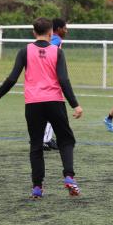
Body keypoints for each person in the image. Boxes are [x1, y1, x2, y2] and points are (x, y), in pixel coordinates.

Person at [0, 17, 83, 199]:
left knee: (36, 145)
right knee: (66, 140)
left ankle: (37, 188)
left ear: (34, 32)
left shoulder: (25, 51)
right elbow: (63, 80)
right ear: (51, 33)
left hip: (33, 104)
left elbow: (12, 78)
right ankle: (69, 177)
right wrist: (75, 105)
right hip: (55, 102)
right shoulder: (57, 52)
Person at [42, 18, 69, 151]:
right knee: (54, 110)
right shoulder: (56, 40)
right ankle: (45, 140)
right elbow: (46, 51)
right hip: (50, 80)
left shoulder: (50, 38)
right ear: (58, 29)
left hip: (43, 78)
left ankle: (45, 138)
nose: (66, 31)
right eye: (65, 28)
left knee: (48, 110)